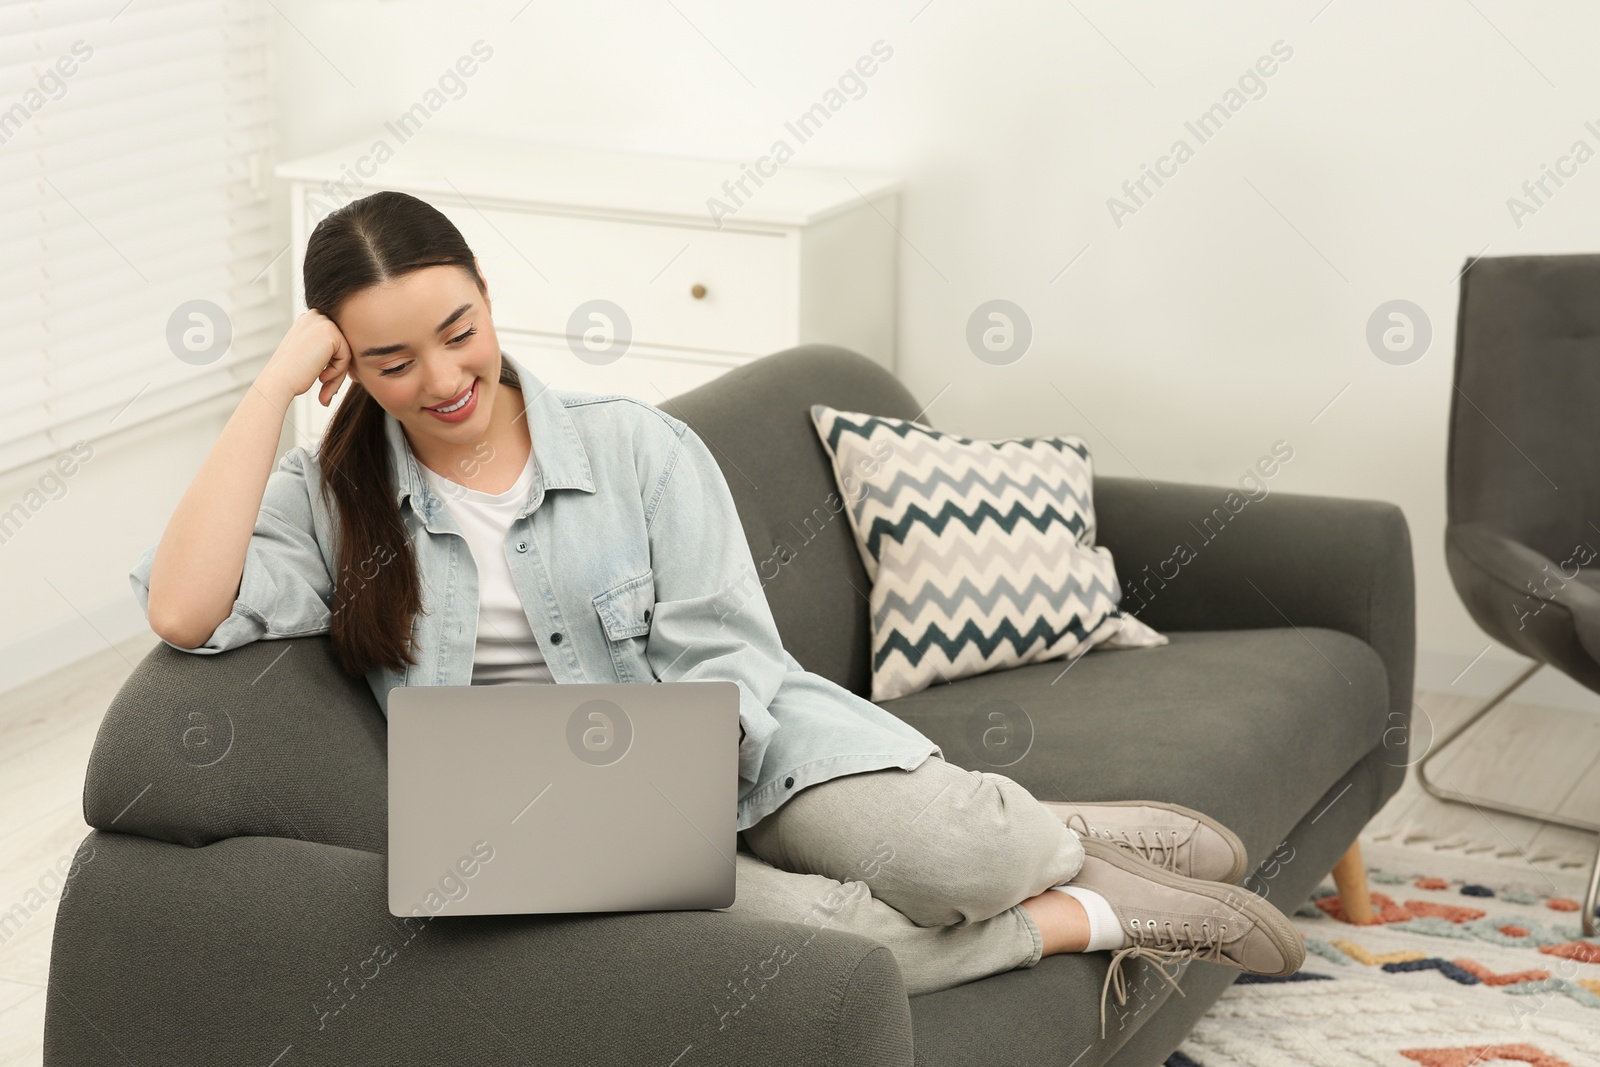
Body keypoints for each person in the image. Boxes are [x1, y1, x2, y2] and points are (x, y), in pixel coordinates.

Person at [133, 191, 1303, 1035]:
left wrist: (685, 784)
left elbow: (727, 655)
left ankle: (1046, 835)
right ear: (346, 364)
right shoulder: (333, 500)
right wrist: (271, 384)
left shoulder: (636, 447)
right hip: (549, 823)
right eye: (389, 361)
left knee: (969, 849)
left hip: (741, 743)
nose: (441, 380)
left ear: (489, 301)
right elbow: (186, 606)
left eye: (458, 333)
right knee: (838, 946)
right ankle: (1089, 909)